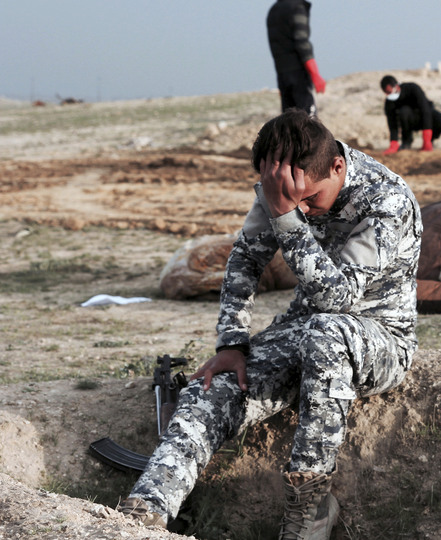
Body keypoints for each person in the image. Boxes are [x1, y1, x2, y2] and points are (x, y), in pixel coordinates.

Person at [118, 109, 422, 540]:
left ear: (338, 167)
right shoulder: (283, 187)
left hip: (379, 339)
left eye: (310, 200)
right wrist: (233, 343)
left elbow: (337, 300)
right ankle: (141, 514)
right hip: (305, 330)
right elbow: (245, 260)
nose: (300, 210)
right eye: (284, 198)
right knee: (212, 388)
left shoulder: (386, 201)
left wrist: (285, 217)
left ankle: (310, 508)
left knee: (327, 331)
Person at [267, 0, 327, 115]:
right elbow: (302, 42)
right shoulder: (296, 7)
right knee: (308, 123)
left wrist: (282, 79)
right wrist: (315, 74)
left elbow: (275, 46)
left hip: (283, 76)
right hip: (299, 75)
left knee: (289, 125)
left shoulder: (273, 10)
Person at [380, 75, 441, 155]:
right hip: (408, 122)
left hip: (425, 116)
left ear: (396, 86)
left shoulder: (413, 88)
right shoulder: (389, 102)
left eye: (389, 92)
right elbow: (392, 123)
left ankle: (430, 140)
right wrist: (393, 143)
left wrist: (426, 138)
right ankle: (406, 142)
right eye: (386, 93)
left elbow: (425, 110)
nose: (388, 95)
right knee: (404, 111)